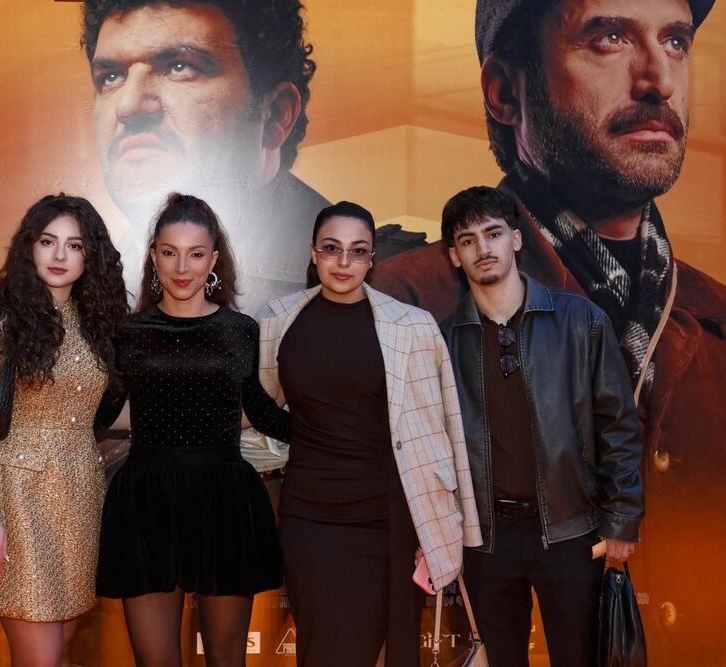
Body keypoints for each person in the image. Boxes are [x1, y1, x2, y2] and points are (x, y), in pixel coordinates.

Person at [368, 1, 725, 660]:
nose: (657, 79)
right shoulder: (408, 298)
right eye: (609, 36)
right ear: (506, 90)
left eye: (676, 40)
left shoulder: (715, 314)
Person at [80, 0, 426, 313]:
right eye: (111, 77)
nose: (128, 105)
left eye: (180, 67)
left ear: (274, 115)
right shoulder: (81, 289)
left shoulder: (396, 286)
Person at [254, 201, 481, 666]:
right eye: (331, 248)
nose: (343, 262)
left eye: (357, 251)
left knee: (381, 649)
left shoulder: (412, 326)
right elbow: (259, 405)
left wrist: (445, 524)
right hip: (309, 519)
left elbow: (440, 433)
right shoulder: (277, 320)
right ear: (313, 252)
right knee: (324, 650)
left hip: (387, 519)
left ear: (372, 257)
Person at [435, 186, 645, 665]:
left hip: (571, 532)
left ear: (515, 239)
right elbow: (431, 446)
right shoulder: (442, 341)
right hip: (486, 540)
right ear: (454, 256)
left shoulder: (581, 320)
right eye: (467, 240)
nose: (482, 248)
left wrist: (622, 519)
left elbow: (618, 425)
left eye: (492, 233)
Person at [95, 193, 292, 667]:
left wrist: (338, 429)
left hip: (224, 500)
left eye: (196, 254)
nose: (182, 267)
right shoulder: (128, 332)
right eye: (170, 252)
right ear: (153, 257)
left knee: (227, 660)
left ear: (214, 260)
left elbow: (262, 411)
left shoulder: (240, 329)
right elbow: (99, 413)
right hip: (146, 501)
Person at [0, 194, 128, 667]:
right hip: (16, 495)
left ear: (91, 256)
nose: (60, 255)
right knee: (40, 659)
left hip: (81, 494)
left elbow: (99, 410)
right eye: (48, 242)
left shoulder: (97, 322)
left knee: (60, 651)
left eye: (74, 245)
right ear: (29, 247)